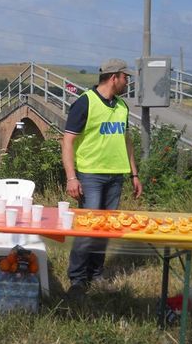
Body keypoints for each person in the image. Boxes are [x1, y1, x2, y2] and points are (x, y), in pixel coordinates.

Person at [61, 58, 143, 298]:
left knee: (106, 229)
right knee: (88, 229)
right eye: (125, 77)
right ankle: (77, 279)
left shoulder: (121, 107)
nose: (128, 82)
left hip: (116, 175)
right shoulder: (85, 103)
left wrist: (134, 173)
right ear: (113, 77)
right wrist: (71, 177)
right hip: (91, 175)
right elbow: (67, 141)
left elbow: (126, 140)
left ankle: (96, 274)